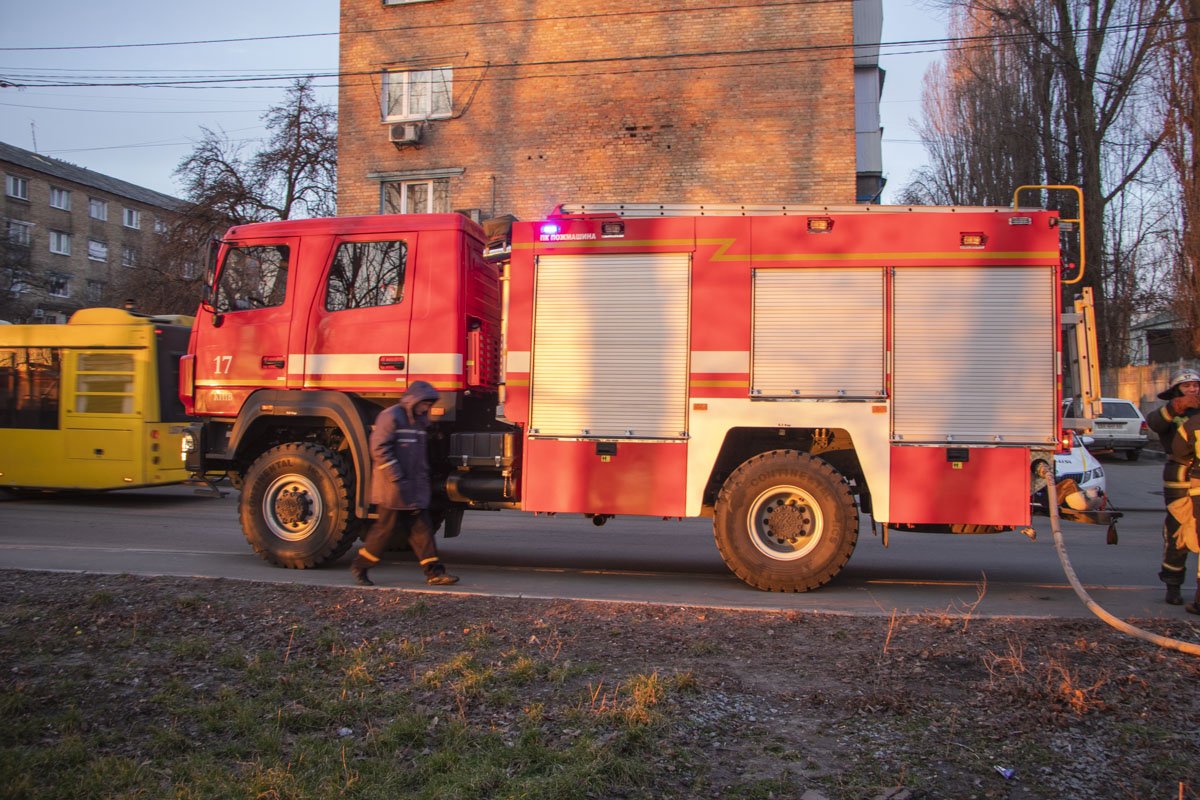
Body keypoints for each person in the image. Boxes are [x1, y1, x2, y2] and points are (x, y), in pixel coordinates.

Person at [350, 380, 459, 587]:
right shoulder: (390, 416)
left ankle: (434, 573)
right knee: (384, 531)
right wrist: (396, 477)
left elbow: (418, 458)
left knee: (422, 531)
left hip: (413, 490)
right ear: (414, 399)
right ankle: (360, 566)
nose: (427, 408)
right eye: (425, 403)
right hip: (393, 490)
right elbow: (379, 449)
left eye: (429, 404)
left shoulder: (419, 421)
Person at [1146, 370, 1200, 609]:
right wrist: (1177, 407)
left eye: (1196, 385)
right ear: (1177, 390)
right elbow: (1154, 422)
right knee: (1177, 530)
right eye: (1187, 386)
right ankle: (1173, 584)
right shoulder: (1168, 411)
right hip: (1179, 474)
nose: (1193, 390)